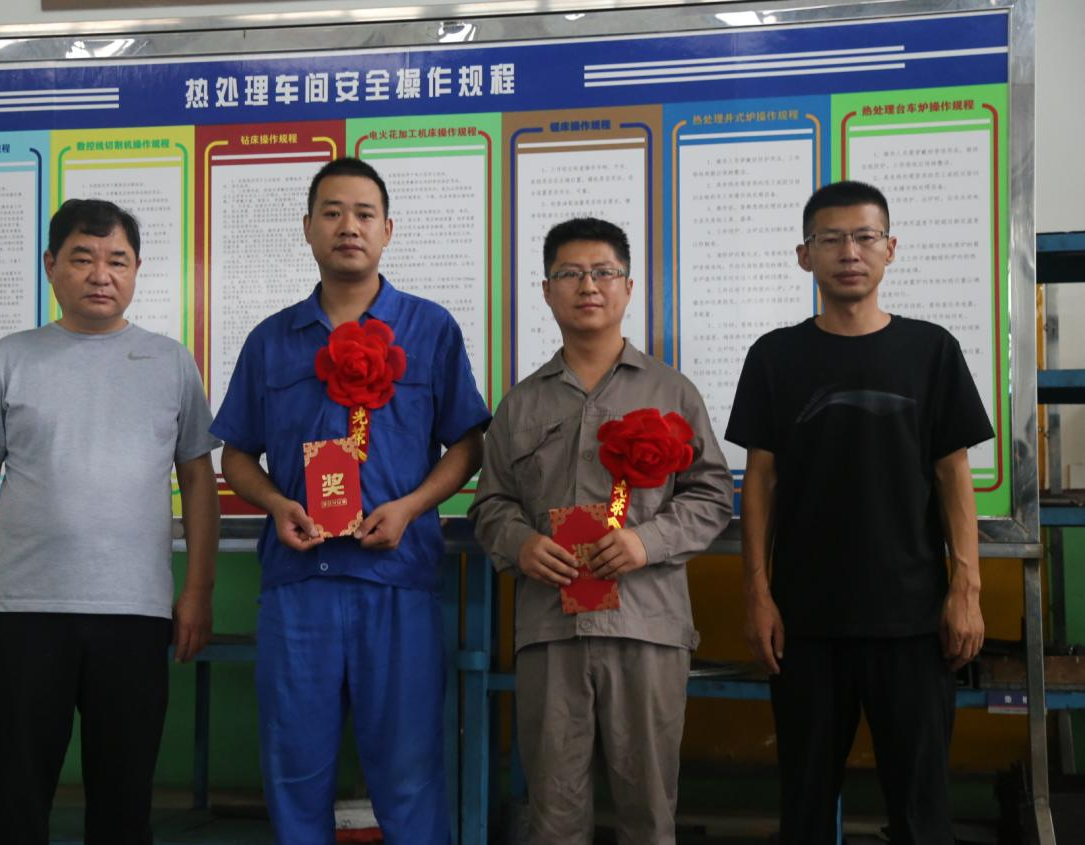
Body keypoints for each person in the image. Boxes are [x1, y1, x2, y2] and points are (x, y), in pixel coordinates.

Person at [211, 157, 490, 844]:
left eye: (364, 214)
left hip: (397, 581)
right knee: (295, 768)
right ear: (307, 227)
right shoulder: (271, 340)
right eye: (331, 212)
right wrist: (277, 503)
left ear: (387, 230)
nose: (348, 227)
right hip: (298, 584)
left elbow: (467, 444)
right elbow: (235, 455)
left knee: (408, 769)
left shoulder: (429, 329)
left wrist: (412, 506)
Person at [0, 198, 220, 845]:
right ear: (51, 265)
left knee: (124, 806)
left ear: (137, 269)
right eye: (83, 258)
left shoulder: (170, 361)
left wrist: (199, 589)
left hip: (135, 612)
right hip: (25, 610)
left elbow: (198, 481)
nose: (101, 274)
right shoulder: (10, 357)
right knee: (16, 803)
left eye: (117, 260)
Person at [725, 180, 993, 843]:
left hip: (913, 620)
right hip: (804, 623)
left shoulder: (931, 350)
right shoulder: (774, 356)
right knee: (805, 810)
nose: (849, 252)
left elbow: (952, 474)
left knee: (921, 812)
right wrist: (757, 593)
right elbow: (760, 481)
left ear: (889, 248)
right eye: (831, 238)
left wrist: (966, 589)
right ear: (804, 255)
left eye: (865, 236)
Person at [470, 217, 733, 844]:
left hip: (647, 628)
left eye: (604, 272)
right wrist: (521, 544)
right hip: (550, 630)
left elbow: (713, 494)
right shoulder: (521, 403)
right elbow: (490, 505)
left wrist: (648, 540)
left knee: (648, 812)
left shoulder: (672, 392)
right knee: (554, 814)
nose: (588, 285)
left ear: (628, 286)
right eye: (570, 273)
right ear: (546, 290)